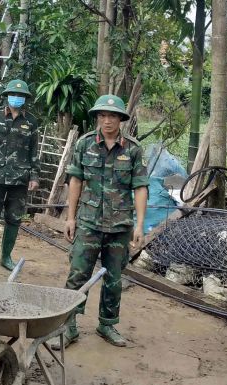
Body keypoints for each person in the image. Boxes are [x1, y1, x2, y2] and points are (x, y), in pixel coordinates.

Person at [59, 94, 148, 348]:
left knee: (114, 277)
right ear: (97, 118)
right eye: (102, 116)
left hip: (120, 226)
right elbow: (75, 180)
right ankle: (69, 325)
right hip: (88, 221)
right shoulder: (85, 144)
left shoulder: (132, 149)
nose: (107, 121)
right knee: (78, 274)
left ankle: (107, 324)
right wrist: (71, 217)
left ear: (121, 119)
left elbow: (140, 187)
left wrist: (139, 225)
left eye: (112, 116)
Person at [0, 79, 40, 270]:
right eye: (14, 94)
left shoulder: (31, 121)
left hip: (20, 178)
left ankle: (6, 257)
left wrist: (35, 176)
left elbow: (34, 151)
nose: (17, 98)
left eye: (21, 96)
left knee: (14, 218)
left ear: (25, 99)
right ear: (6, 96)